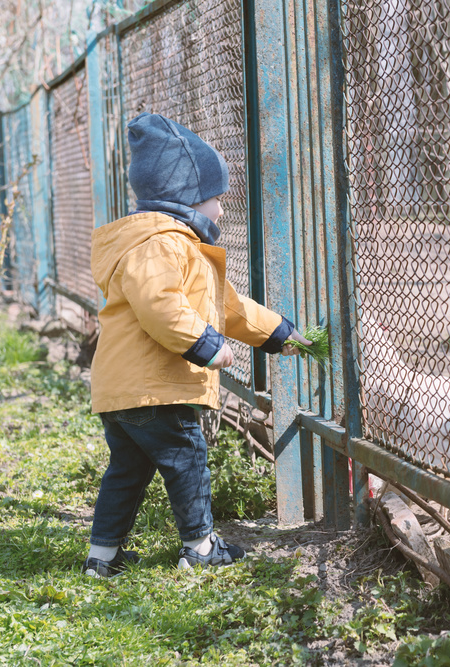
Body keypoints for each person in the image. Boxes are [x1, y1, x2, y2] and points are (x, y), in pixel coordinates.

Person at [81, 112, 311, 577]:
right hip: (156, 387)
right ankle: (200, 549)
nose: (222, 211)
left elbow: (227, 307)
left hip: (127, 388)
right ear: (184, 196)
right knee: (188, 462)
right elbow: (160, 307)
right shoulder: (160, 244)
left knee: (127, 472)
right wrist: (207, 346)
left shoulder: (178, 246)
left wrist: (277, 334)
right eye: (215, 199)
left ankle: (101, 558)